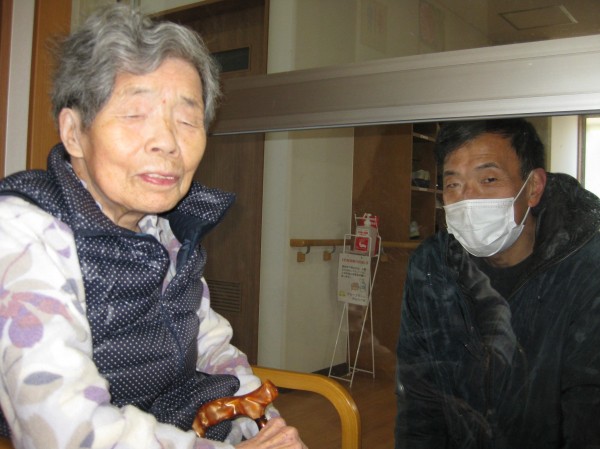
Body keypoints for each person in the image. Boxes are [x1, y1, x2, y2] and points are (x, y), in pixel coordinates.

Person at [0, 5, 306, 449]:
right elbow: (68, 430)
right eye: (134, 114)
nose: (167, 142)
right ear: (73, 133)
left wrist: (261, 423)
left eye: (187, 120)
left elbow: (212, 343)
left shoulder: (163, 230)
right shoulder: (21, 232)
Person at [395, 118, 600, 448]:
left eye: (488, 179)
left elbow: (589, 413)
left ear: (533, 187)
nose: (467, 199)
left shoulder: (586, 269)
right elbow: (419, 399)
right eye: (452, 184)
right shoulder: (432, 266)